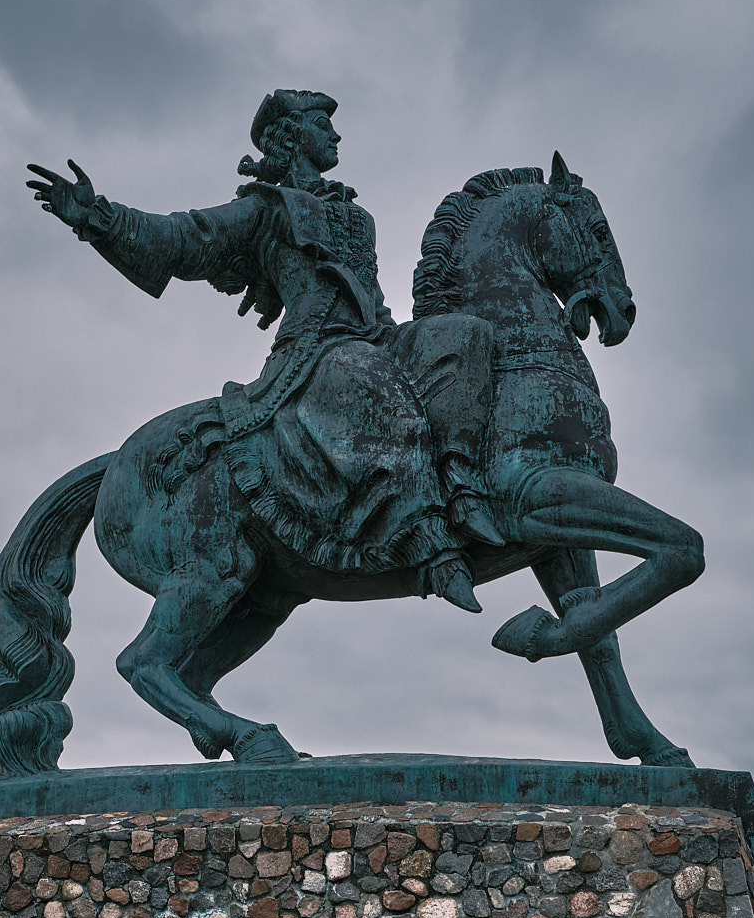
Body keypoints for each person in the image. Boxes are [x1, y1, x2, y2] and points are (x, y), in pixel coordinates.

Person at [27, 90, 498, 612]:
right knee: (369, 379)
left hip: (374, 334)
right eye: (322, 125)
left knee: (466, 333)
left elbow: (371, 294)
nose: (336, 135)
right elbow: (184, 237)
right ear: (294, 135)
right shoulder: (265, 210)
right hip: (316, 349)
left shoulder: (357, 216)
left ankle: (462, 483)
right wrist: (97, 217)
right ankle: (427, 540)